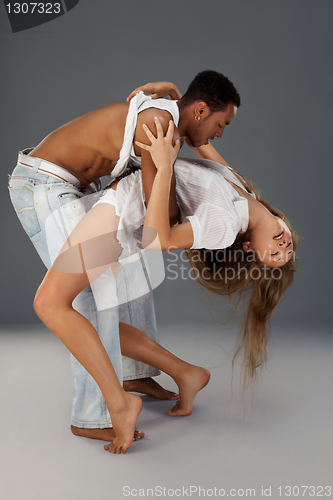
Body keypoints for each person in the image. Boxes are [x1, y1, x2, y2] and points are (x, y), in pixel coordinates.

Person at [33, 119, 299, 454]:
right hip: (120, 214)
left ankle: (119, 403)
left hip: (118, 217)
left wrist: (163, 165)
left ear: (249, 249)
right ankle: (185, 373)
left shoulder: (228, 224)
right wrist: (172, 98)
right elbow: (198, 138)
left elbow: (156, 238)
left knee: (50, 304)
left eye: (273, 255)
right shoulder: (241, 190)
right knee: (91, 322)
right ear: (287, 227)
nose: (283, 247)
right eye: (287, 249)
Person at [8, 70, 241, 442]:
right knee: (87, 299)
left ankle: (136, 372)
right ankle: (96, 412)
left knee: (135, 277)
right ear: (199, 110)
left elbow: (157, 214)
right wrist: (173, 185)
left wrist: (175, 157)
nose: (221, 133)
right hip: (44, 187)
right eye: (221, 123)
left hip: (76, 188)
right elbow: (159, 215)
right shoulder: (159, 124)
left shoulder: (171, 120)